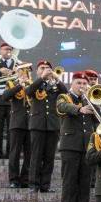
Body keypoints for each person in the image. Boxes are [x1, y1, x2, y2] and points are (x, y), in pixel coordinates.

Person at [56, 71, 98, 202]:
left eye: (84, 84)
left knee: (85, 181)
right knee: (70, 181)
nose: (82, 86)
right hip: (70, 145)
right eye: (79, 83)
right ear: (72, 84)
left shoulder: (89, 100)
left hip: (87, 146)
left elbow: (98, 120)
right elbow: (62, 107)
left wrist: (92, 103)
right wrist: (80, 109)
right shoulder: (64, 97)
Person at [27, 60, 67, 193]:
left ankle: (45, 185)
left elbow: (65, 94)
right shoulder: (35, 84)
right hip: (37, 124)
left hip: (53, 125)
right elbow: (28, 92)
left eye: (48, 68)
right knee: (36, 156)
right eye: (42, 68)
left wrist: (56, 78)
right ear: (37, 71)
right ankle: (33, 185)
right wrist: (42, 78)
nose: (45, 70)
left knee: (49, 157)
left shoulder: (55, 85)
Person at [2, 66, 32, 188]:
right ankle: (13, 179)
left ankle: (25, 179)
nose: (25, 73)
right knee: (14, 153)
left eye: (27, 71)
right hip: (17, 123)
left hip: (31, 124)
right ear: (18, 73)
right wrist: (19, 85)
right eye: (22, 71)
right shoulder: (12, 84)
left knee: (29, 154)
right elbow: (5, 97)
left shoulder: (33, 85)